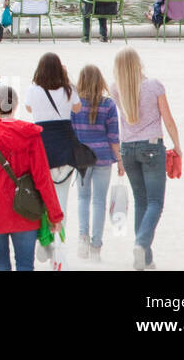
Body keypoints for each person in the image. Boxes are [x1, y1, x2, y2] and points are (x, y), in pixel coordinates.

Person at [0, 85, 64, 271]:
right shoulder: (30, 134)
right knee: (26, 265)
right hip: (26, 211)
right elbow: (43, 178)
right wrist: (55, 214)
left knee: (1, 265)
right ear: (16, 105)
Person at [113, 46, 182, 270]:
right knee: (155, 203)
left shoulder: (116, 88)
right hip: (152, 146)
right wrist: (177, 146)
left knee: (140, 201)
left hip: (128, 148)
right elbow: (168, 119)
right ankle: (141, 244)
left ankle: (146, 258)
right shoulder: (154, 86)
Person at [24, 52, 81, 259]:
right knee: (62, 199)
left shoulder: (33, 89)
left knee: (43, 198)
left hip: (42, 149)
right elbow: (78, 107)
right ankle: (59, 245)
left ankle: (44, 238)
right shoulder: (68, 89)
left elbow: (29, 108)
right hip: (65, 147)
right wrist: (65, 79)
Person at [71, 64, 120, 261]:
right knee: (99, 201)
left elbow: (71, 132)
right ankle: (96, 245)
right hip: (103, 156)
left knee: (83, 198)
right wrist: (120, 160)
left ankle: (82, 236)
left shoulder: (75, 105)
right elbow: (114, 137)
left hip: (81, 157)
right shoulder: (108, 105)